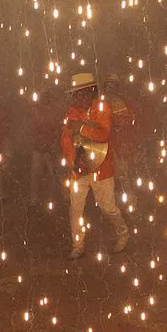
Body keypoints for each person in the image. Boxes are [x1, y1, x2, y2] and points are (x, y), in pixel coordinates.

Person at [60, 71, 129, 259]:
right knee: (75, 208)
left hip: (102, 169)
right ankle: (78, 244)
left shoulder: (103, 108)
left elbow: (104, 135)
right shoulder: (72, 112)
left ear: (91, 92)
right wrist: (73, 162)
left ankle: (123, 233)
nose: (76, 98)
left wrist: (80, 128)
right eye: (74, 95)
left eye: (80, 93)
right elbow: (66, 140)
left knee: (108, 207)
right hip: (79, 169)